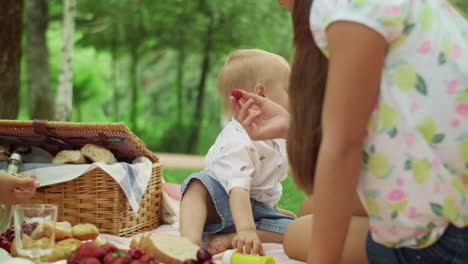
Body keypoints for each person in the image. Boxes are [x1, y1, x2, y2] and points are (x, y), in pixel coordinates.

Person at [231, 0, 468, 263]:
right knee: (313, 205)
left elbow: (344, 149)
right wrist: (291, 126)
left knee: (297, 235)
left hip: (453, 235)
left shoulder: (345, 7)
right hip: (450, 195)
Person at [179, 49, 295, 256]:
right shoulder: (238, 138)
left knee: (295, 230)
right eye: (289, 90)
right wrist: (247, 229)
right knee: (197, 186)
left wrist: (272, 210)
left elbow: (268, 180)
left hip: (254, 209)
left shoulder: (279, 136)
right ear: (261, 94)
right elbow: (238, 188)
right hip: (219, 202)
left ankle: (231, 238)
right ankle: (188, 244)